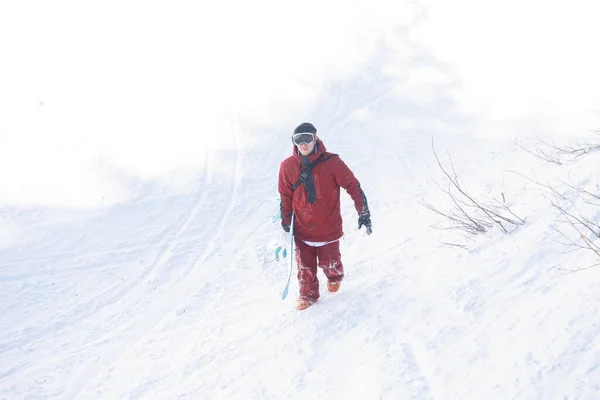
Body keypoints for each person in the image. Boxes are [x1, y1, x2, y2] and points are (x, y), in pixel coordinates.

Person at [278, 122, 372, 310]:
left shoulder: (332, 162)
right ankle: (308, 295)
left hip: (328, 226)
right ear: (294, 142)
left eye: (308, 138)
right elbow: (285, 195)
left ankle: (334, 276)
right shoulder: (287, 166)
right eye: (299, 139)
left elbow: (353, 185)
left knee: (330, 262)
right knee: (305, 267)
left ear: (315, 139)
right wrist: (286, 222)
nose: (303, 144)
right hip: (302, 228)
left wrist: (363, 212)